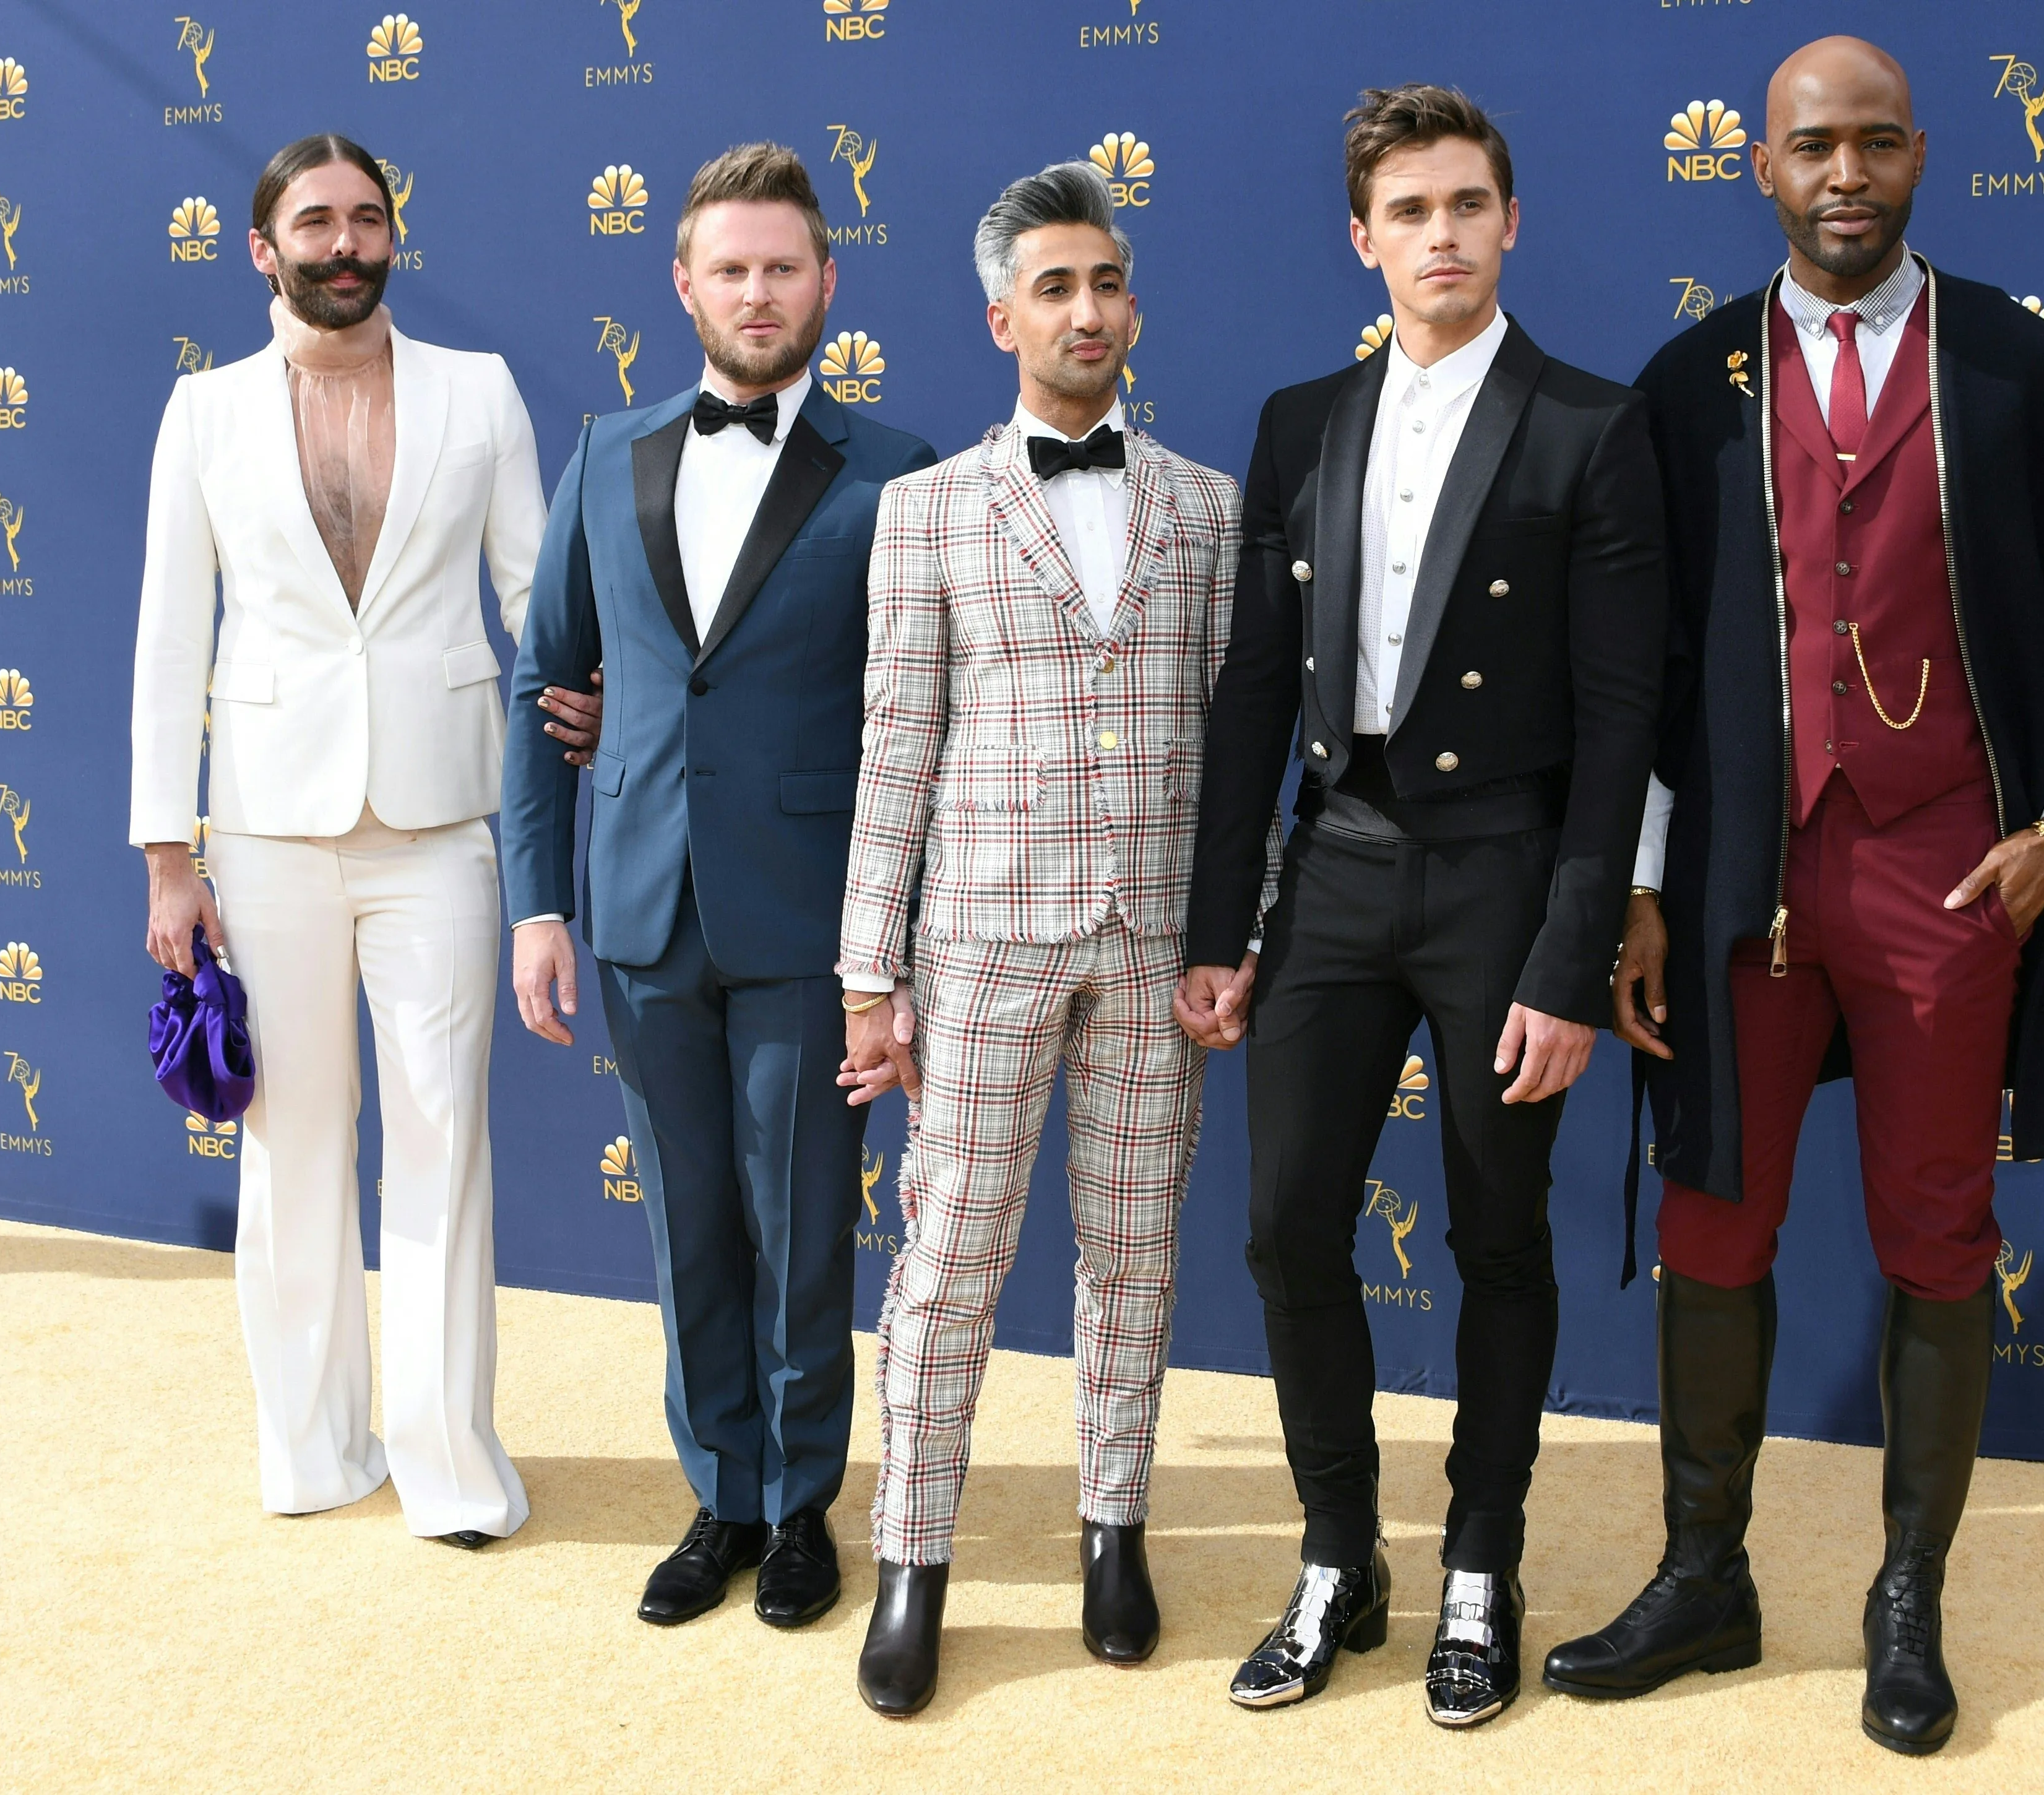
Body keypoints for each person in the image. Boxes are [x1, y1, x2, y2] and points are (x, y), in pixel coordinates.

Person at [1540, 38, 2044, 1756]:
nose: (1841, 175)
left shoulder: (2017, 370)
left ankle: (1907, 1593)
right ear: (1761, 169)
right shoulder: (1689, 382)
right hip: (1737, 883)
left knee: (1937, 1227)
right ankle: (1704, 1574)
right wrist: (1641, 885)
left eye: (1871, 144)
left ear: (1920, 155)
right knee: (1712, 1219)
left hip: (1947, 877)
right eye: (1810, 147)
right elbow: (1637, 675)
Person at [1179, 85, 1667, 1728]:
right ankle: (1337, 1554)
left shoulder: (1591, 424)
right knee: (1284, 1224)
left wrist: (1572, 958)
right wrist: (1217, 927)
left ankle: (1478, 1561)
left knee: (1496, 1232)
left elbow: (1622, 723)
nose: (1439, 235)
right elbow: (1253, 690)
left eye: (1466, 204)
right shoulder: (1299, 421)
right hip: (1331, 866)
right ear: (1361, 238)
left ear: (1510, 222)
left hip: (1505, 877)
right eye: (1408, 210)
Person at [501, 144, 934, 1630]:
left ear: (828, 282)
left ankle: (803, 1503)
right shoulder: (604, 450)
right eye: (730, 269)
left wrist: (898, 950)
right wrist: (538, 903)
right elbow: (545, 682)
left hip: (812, 921)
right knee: (686, 1224)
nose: (757, 293)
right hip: (639, 909)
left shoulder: (900, 475)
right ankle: (722, 1494)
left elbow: (923, 717)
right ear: (681, 284)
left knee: (805, 1228)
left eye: (783, 267)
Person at [835, 162, 1242, 1718]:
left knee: (1133, 1259)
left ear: (1134, 308)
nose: (1087, 312)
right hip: (982, 947)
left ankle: (1114, 1530)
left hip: (1155, 950)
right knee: (947, 1263)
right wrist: (869, 973)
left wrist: (1233, 933)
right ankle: (912, 1559)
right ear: (1002, 317)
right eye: (1054, 288)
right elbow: (895, 748)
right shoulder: (925, 510)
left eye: (1107, 283)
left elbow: (1238, 753)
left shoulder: (1210, 509)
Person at [129, 134, 543, 1547]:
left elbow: (535, 597)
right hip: (266, 827)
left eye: (367, 217)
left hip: (441, 822)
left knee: (441, 1142)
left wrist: (586, 716)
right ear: (266, 248)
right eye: (316, 221)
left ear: (391, 237)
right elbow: (170, 634)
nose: (346, 242)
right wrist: (167, 854)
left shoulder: (478, 391)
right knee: (292, 1149)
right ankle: (312, 1448)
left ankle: (449, 1466)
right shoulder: (204, 411)